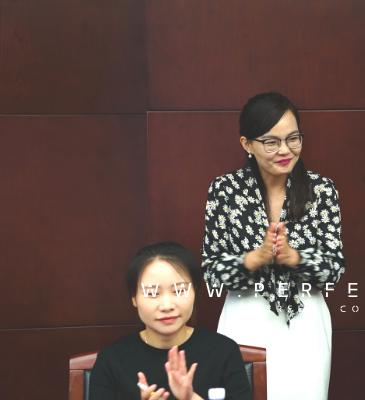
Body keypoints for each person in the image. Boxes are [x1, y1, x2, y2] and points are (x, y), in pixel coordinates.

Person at [201, 92, 345, 400]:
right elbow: (211, 272)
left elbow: (334, 269)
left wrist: (295, 258)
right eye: (271, 142)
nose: (285, 150)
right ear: (247, 144)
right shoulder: (224, 190)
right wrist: (255, 258)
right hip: (245, 316)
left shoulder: (321, 189)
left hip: (306, 321)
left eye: (293, 138)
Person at [90, 242, 252, 400]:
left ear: (195, 291)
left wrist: (191, 398)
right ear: (134, 297)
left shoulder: (223, 352)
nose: (167, 306)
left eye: (179, 291)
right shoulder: (111, 360)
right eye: (153, 293)